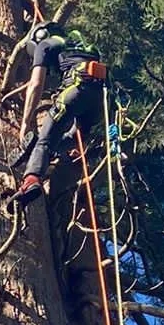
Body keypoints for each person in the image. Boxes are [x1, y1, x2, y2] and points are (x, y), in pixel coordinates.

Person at [12, 20, 107, 204]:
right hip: (100, 102)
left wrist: (25, 122)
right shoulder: (87, 49)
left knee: (44, 141)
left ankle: (31, 180)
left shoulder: (45, 45)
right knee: (71, 138)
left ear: (39, 36)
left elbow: (36, 85)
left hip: (75, 92)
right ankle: (43, 154)